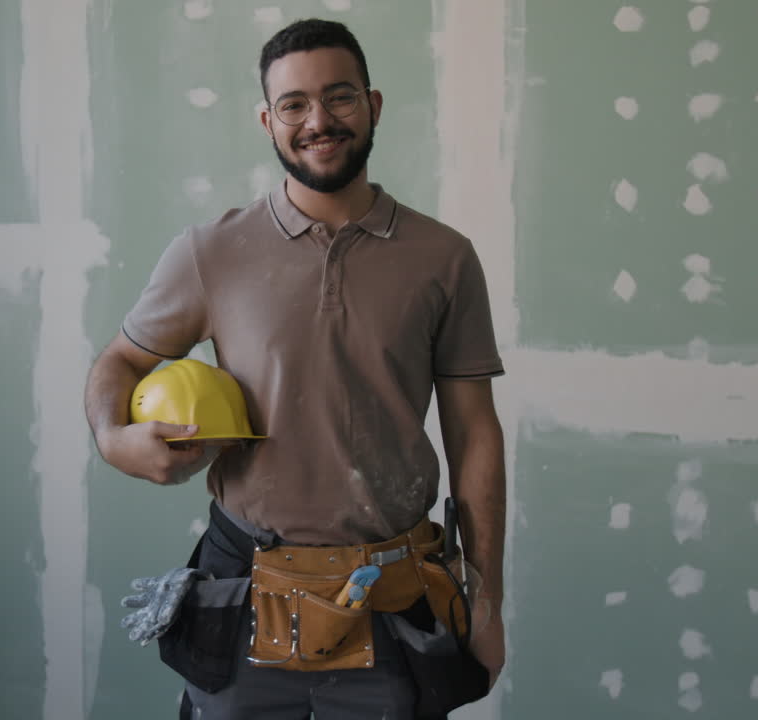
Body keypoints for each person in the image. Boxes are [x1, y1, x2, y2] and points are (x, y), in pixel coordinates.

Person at [84, 17, 506, 719]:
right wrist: (111, 436)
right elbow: (121, 359)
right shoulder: (211, 252)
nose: (319, 120)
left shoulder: (445, 258)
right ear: (268, 120)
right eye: (294, 104)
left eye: (339, 98)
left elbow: (475, 435)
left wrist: (485, 599)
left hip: (394, 598)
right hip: (245, 591)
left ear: (372, 105)